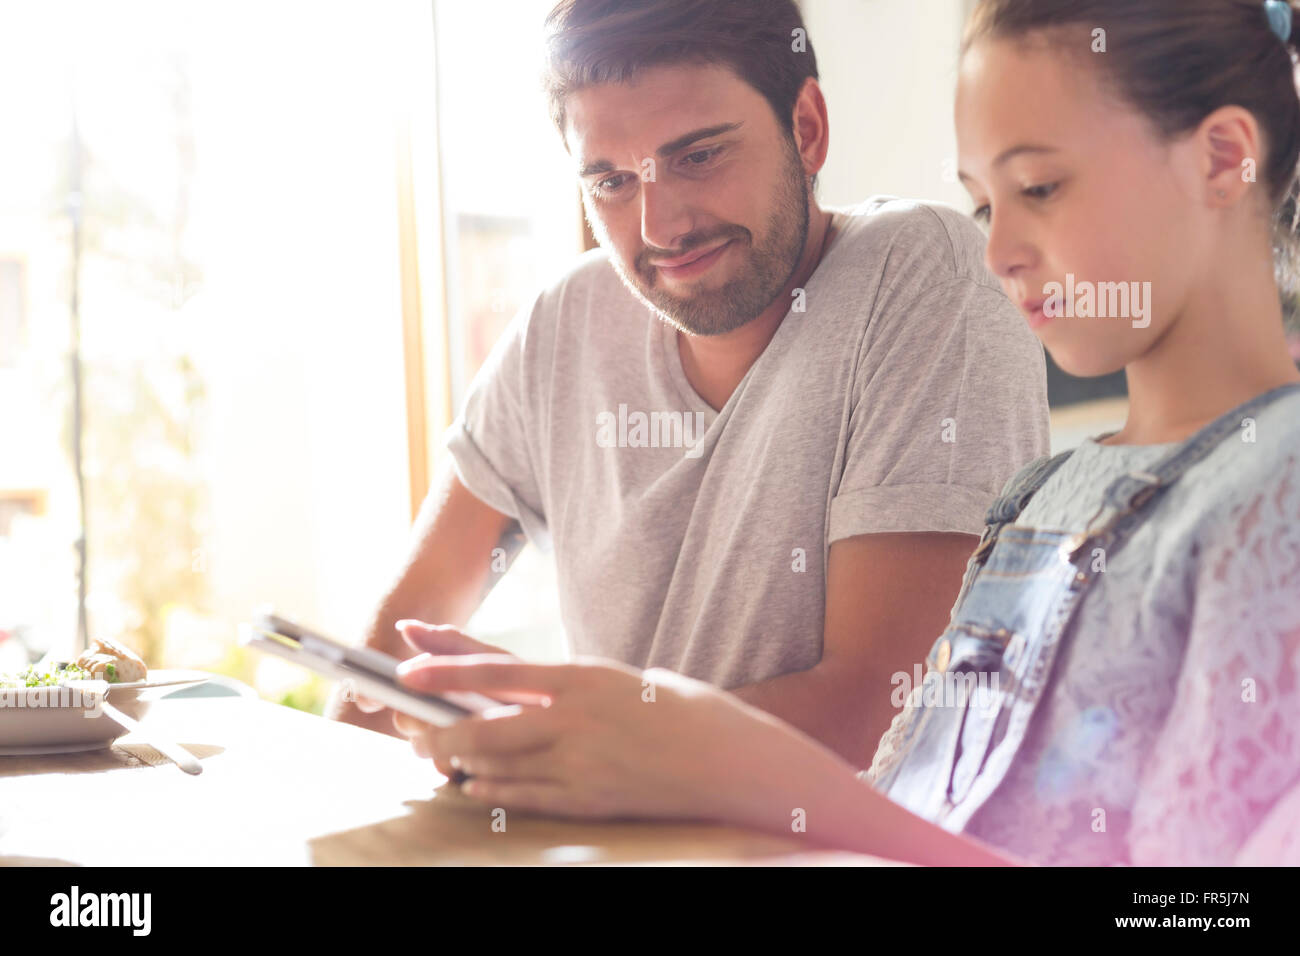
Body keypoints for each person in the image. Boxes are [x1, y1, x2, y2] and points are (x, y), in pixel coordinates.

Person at [385, 0, 1300, 867]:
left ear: (1223, 159)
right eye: (985, 204)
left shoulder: (1277, 494)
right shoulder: (1040, 501)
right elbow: (919, 812)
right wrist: (647, 736)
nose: (997, 253)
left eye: (1041, 187)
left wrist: (703, 749)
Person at [330, 0, 1049, 771]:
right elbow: (383, 678)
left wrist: (570, 735)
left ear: (806, 129)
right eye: (609, 181)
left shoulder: (919, 277)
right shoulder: (564, 325)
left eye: (698, 156)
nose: (661, 226)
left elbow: (884, 708)